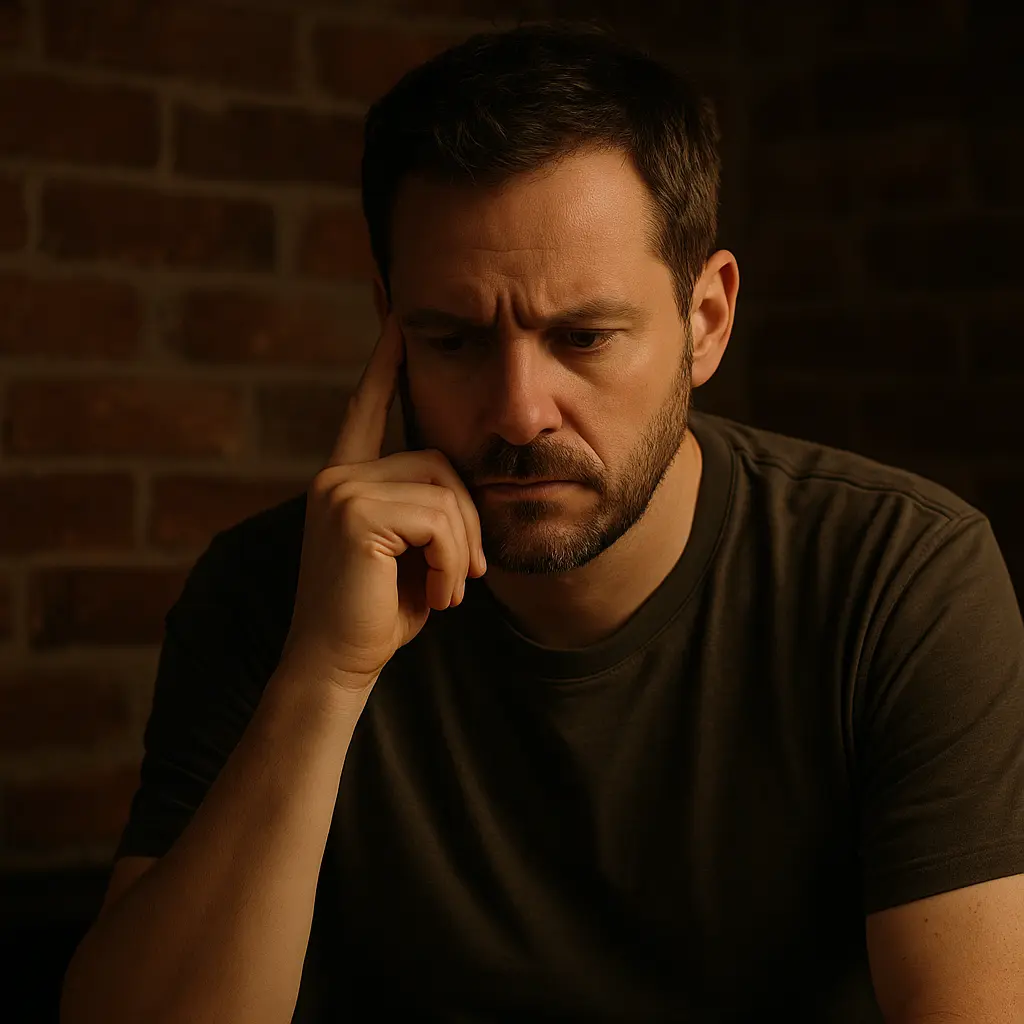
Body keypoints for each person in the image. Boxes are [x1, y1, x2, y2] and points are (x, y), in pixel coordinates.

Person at [60, 20, 1024, 1024]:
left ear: (706, 320)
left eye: (583, 336)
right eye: (454, 339)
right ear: (390, 326)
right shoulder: (273, 590)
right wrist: (323, 676)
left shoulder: (897, 575)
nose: (519, 410)